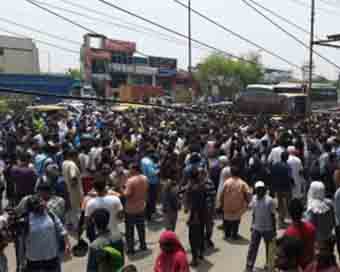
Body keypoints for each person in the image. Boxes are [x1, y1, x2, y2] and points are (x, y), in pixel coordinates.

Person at [22, 195, 71, 272]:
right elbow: (21, 241)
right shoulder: (26, 220)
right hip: (34, 262)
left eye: (42, 201)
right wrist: (22, 260)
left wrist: (67, 244)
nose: (42, 204)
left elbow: (62, 229)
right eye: (38, 203)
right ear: (31, 207)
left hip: (52, 259)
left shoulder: (50, 214)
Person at [85, 177, 124, 253]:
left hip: (100, 238)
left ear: (94, 189)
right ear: (105, 186)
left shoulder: (90, 203)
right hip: (115, 234)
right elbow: (121, 217)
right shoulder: (115, 199)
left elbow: (87, 222)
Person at [246, 181, 276, 272]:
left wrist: (274, 230)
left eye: (261, 189)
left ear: (264, 189)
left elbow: (273, 216)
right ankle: (249, 266)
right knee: (252, 248)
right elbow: (254, 214)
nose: (259, 191)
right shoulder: (254, 199)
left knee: (269, 250)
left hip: (268, 229)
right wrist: (252, 224)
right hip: (256, 228)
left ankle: (269, 266)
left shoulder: (270, 200)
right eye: (257, 189)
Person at [220, 159, 251, 240]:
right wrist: (248, 202)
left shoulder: (227, 182)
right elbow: (248, 193)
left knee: (227, 220)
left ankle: (227, 234)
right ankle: (234, 234)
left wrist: (221, 203)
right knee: (236, 220)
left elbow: (222, 193)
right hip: (238, 206)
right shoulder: (242, 183)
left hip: (227, 205)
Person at [123, 163, 148, 255]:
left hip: (131, 209)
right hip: (141, 206)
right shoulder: (145, 178)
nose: (129, 170)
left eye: (130, 169)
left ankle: (130, 249)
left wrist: (122, 190)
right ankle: (143, 245)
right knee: (141, 227)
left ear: (134, 169)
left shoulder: (130, 181)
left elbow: (127, 195)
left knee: (130, 230)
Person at [285, 198, 316, 269]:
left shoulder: (288, 233)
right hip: (310, 265)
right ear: (302, 212)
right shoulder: (311, 228)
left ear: (290, 213)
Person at [62, 148, 84, 233]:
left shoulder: (64, 163)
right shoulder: (72, 164)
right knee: (76, 210)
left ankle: (69, 224)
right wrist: (73, 187)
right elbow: (73, 177)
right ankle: (76, 227)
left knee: (70, 209)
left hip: (67, 190)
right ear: (74, 156)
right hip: (74, 191)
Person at [270, 151, 293, 228]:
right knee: (288, 204)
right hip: (286, 187)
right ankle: (288, 220)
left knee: (280, 204)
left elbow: (272, 175)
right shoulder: (288, 166)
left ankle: (280, 222)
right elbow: (290, 177)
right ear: (287, 158)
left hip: (278, 187)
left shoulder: (275, 165)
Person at [141, 149, 160, 221]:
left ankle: (147, 214)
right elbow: (152, 173)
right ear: (150, 153)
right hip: (152, 182)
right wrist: (159, 170)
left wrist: (156, 165)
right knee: (151, 199)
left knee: (148, 199)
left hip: (146, 181)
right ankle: (149, 216)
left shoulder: (143, 160)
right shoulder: (148, 162)